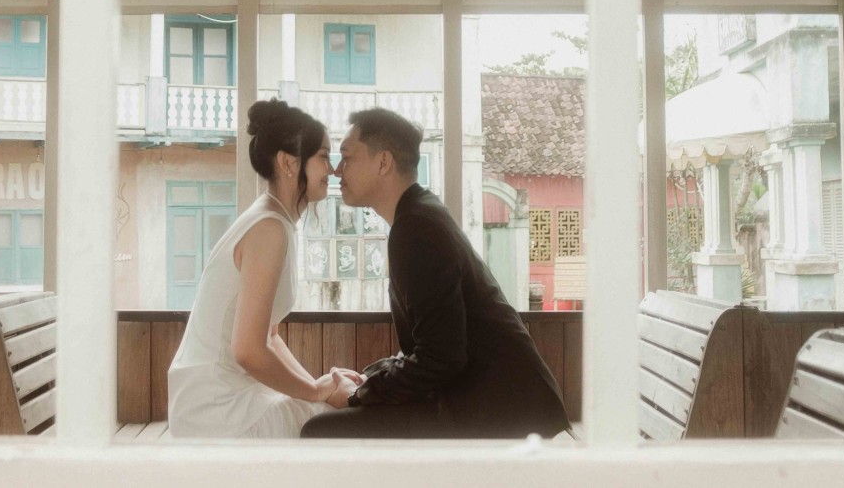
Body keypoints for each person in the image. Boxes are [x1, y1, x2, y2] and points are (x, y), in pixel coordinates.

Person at [300, 107, 572, 439]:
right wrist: (370, 378)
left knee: (318, 432)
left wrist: (359, 395)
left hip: (498, 412)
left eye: (347, 157)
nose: (337, 170)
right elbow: (434, 346)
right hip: (497, 403)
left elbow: (441, 357)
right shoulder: (420, 214)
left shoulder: (415, 228)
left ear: (383, 162)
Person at [167, 99, 361, 438]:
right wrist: (316, 392)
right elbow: (249, 352)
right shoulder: (268, 228)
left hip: (222, 398)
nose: (331, 170)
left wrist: (316, 389)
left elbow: (269, 337)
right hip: (216, 410)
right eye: (323, 156)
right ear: (288, 162)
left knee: (333, 413)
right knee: (343, 429)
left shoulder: (273, 219)